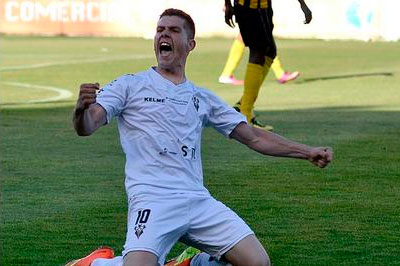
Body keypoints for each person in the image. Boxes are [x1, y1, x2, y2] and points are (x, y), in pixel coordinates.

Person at [71, 8, 332, 266]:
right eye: (160, 30)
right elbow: (88, 125)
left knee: (257, 262)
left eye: (174, 30)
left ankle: (192, 263)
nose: (164, 35)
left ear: (190, 44)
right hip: (152, 198)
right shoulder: (130, 85)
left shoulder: (202, 98)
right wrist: (81, 110)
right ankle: (96, 264)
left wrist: (306, 151)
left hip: (197, 200)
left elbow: (253, 137)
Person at [224, 0, 312, 130]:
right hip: (250, 8)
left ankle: (243, 105)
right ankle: (245, 115)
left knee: (270, 52)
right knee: (258, 53)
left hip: (262, 7)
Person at [218, 34, 300, 85]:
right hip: (248, 7)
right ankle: (280, 73)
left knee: (245, 35)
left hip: (250, 6)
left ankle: (226, 74)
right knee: (262, 33)